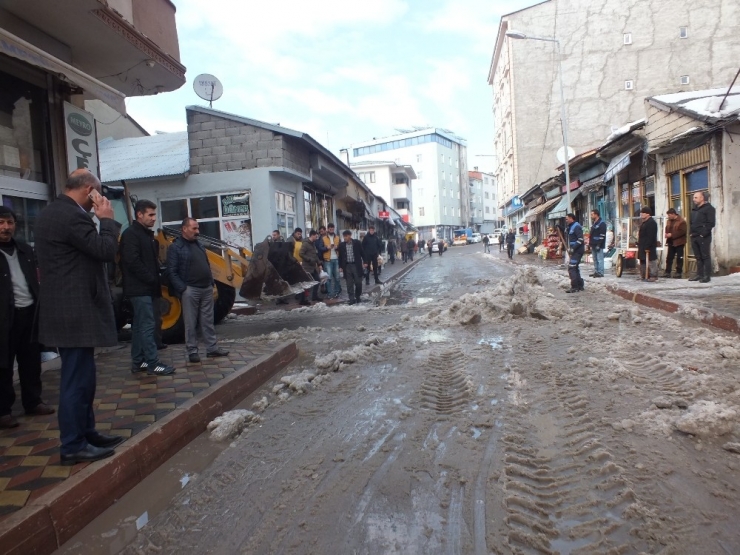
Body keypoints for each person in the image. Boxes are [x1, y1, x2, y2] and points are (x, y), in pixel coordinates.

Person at [35, 169, 124, 464]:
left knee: (84, 377)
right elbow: (105, 250)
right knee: (76, 380)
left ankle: (86, 432)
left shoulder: (58, 211)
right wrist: (107, 219)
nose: (99, 200)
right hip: (72, 311)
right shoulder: (70, 215)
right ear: (90, 191)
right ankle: (73, 445)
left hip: (70, 310)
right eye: (98, 194)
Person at [0, 206, 54, 429]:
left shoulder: (25, 250)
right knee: (3, 365)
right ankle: (3, 410)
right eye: (1, 223)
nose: (5, 227)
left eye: (9, 222)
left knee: (31, 362)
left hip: (29, 314)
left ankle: (33, 401)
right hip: (4, 319)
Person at [119, 200, 175, 376]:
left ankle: (138, 361)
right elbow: (132, 261)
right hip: (139, 289)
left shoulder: (146, 235)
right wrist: (151, 278)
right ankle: (153, 363)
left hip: (148, 288)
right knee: (147, 326)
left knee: (139, 326)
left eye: (154, 214)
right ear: (139, 215)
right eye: (150, 215)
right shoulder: (131, 235)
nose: (154, 218)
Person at [166, 218, 230, 363]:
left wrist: (211, 282)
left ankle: (212, 349)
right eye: (194, 229)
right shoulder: (175, 248)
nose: (197, 232)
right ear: (184, 229)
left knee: (208, 320)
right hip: (190, 290)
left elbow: (206, 264)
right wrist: (183, 289)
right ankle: (192, 351)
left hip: (206, 288)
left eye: (198, 228)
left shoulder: (199, 245)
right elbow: (172, 271)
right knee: (190, 322)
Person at [689, 192, 715, 283]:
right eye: (693, 197)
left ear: (702, 198)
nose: (694, 199)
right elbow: (691, 222)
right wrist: (691, 233)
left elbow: (711, 223)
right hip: (694, 236)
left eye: (696, 197)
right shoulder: (695, 209)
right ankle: (699, 274)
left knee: (705, 256)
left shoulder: (709, 209)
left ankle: (707, 276)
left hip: (703, 237)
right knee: (698, 257)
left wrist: (702, 234)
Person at [338, 230, 367, 305]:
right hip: (347, 266)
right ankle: (351, 298)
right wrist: (340, 266)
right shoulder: (342, 245)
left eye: (346, 236)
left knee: (358, 282)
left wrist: (365, 262)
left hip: (356, 265)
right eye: (344, 236)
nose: (345, 238)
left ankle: (357, 296)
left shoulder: (357, 243)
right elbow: (340, 257)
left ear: (350, 236)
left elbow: (363, 252)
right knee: (349, 283)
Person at [663, 208, 687, 278]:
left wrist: (672, 235)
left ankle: (678, 272)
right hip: (671, 242)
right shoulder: (669, 221)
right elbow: (667, 228)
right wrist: (666, 234)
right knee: (669, 258)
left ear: (674, 214)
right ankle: (667, 272)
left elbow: (682, 231)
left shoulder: (681, 221)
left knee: (679, 257)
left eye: (669, 215)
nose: (668, 216)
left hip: (679, 242)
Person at [300, 229, 323, 302]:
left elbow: (315, 255)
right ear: (312, 235)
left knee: (317, 280)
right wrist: (308, 259)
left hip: (313, 267)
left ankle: (314, 296)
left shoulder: (313, 244)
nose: (316, 238)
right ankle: (302, 300)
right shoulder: (305, 244)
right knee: (305, 284)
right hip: (307, 267)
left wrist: (319, 263)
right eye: (316, 236)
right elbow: (301, 253)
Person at [637, 207, 658, 282]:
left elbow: (651, 236)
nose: (641, 214)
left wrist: (647, 246)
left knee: (651, 261)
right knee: (643, 260)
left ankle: (653, 275)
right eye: (641, 212)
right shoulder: (644, 222)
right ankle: (644, 275)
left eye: (643, 213)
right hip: (642, 245)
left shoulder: (651, 223)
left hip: (649, 246)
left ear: (648, 214)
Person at [565, 214, 585, 293]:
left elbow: (580, 239)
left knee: (571, 268)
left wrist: (573, 248)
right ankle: (580, 285)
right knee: (575, 267)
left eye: (567, 219)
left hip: (577, 251)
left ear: (571, 219)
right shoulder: (570, 227)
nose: (566, 221)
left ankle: (574, 287)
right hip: (574, 251)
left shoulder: (577, 227)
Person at [321, 223, 341, 298]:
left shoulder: (337, 238)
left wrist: (337, 247)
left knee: (337, 277)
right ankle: (329, 293)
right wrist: (327, 248)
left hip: (336, 259)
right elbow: (320, 248)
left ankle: (336, 292)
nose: (331, 230)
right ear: (328, 229)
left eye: (332, 229)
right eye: (330, 229)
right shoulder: (323, 238)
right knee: (328, 278)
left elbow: (341, 247)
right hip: (327, 260)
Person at [588, 210, 607, 278]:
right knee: (595, 259)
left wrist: (599, 244)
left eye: (592, 214)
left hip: (598, 245)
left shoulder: (602, 223)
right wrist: (590, 244)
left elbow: (602, 235)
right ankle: (596, 271)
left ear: (596, 215)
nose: (591, 216)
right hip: (593, 244)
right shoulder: (594, 223)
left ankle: (600, 272)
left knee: (600, 259)